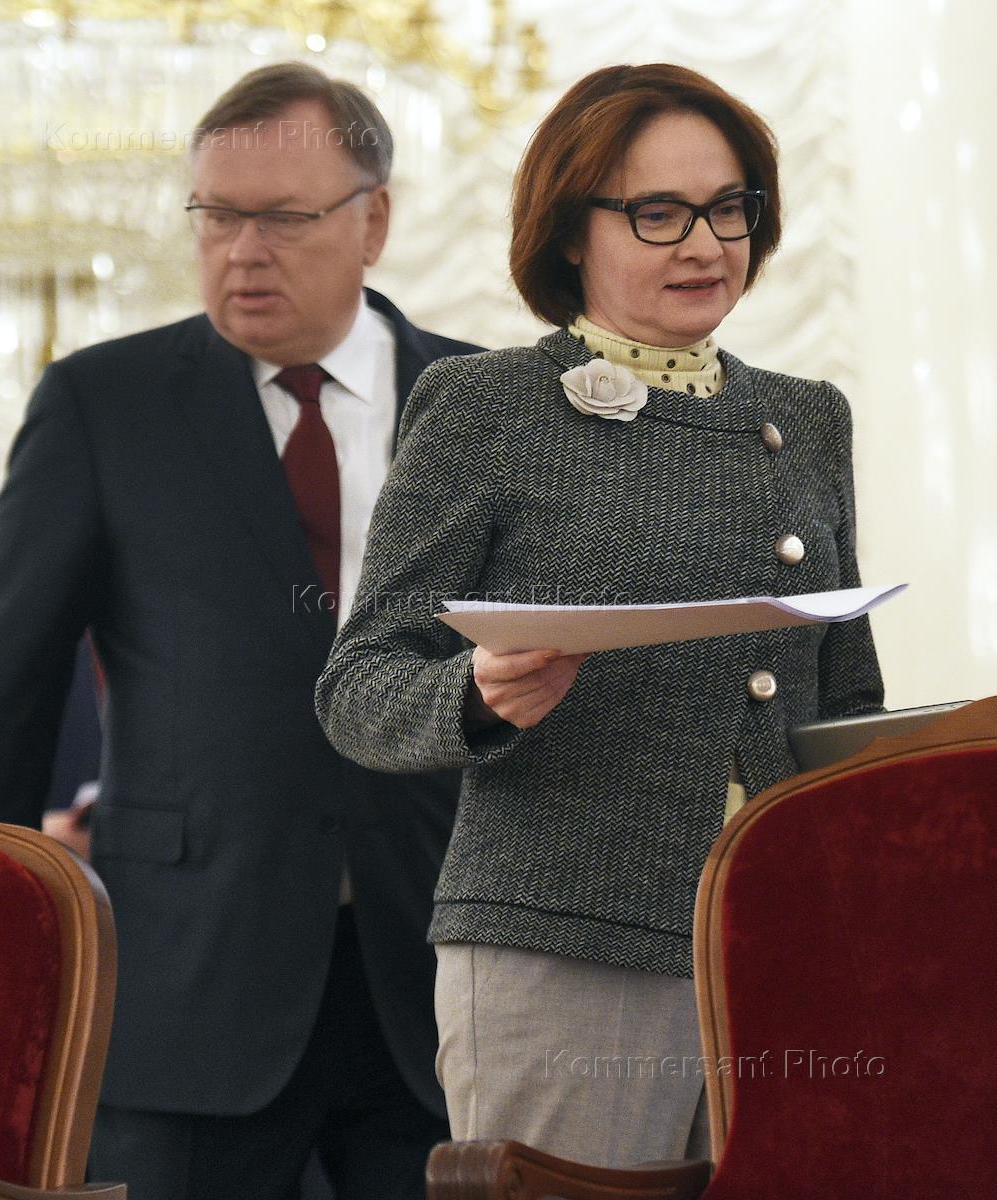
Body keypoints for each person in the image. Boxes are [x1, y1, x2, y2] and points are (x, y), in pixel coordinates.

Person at [315, 62, 884, 1170]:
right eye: (657, 213)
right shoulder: (487, 406)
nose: (703, 244)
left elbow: (844, 696)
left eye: (727, 208)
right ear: (571, 231)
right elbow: (360, 684)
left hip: (780, 944)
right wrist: (476, 694)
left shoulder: (808, 419)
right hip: (563, 947)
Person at [0, 62, 481, 1200]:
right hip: (187, 980)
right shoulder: (103, 404)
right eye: (216, 216)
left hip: (435, 970)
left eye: (282, 218)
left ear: (373, 221)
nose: (242, 252)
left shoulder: (481, 406)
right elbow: (8, 691)